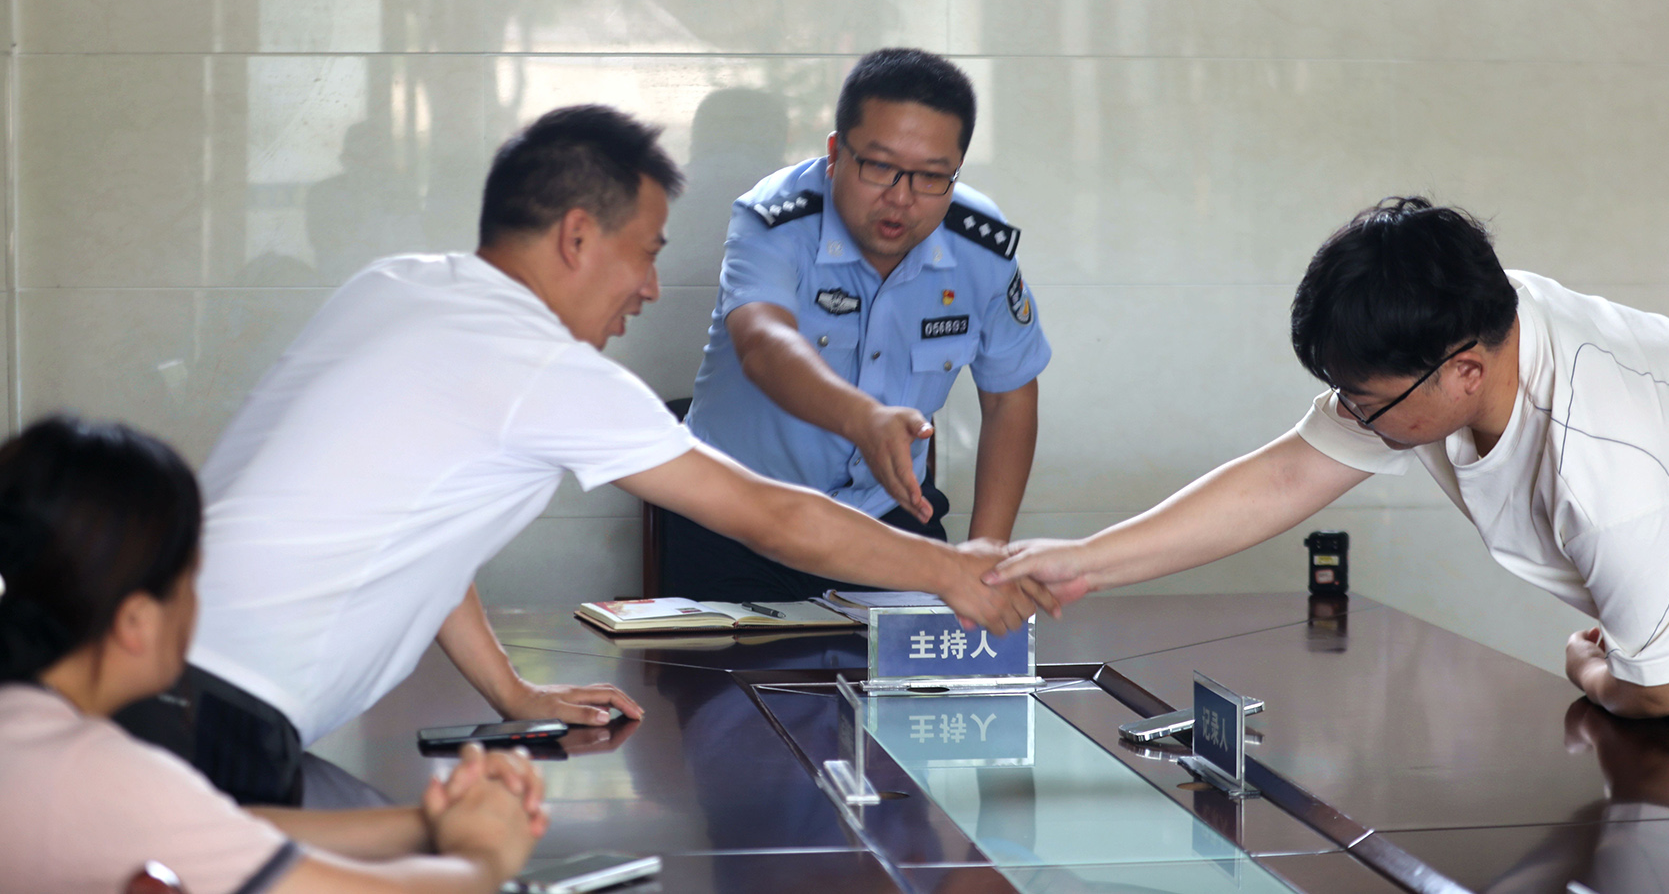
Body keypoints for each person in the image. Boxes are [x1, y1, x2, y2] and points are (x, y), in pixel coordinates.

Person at [143, 103, 1050, 806]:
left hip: (144, 667)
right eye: (644, 254)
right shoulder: (542, 364)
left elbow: (422, 530)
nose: (650, 287)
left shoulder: (394, 287)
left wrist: (513, 692)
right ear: (577, 236)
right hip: (213, 711)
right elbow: (771, 514)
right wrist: (952, 571)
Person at [990, 196, 1669, 741]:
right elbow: (1288, 474)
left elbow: (1662, 690)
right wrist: (1083, 559)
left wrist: (1585, 666)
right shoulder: (1472, 326)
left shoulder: (1613, 460)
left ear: (1464, 372)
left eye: (1363, 403)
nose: (1353, 419)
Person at [0, 415, 547, 894]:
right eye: (191, 578)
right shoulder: (94, 774)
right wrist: (485, 853)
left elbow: (222, 827)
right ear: (136, 622)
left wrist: (434, 820)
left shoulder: (31, 736)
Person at [670, 49, 1051, 600]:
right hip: (736, 516)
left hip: (883, 518)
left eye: (931, 176)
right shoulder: (775, 217)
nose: (901, 197)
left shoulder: (979, 243)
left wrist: (985, 559)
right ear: (835, 154)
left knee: (929, 655)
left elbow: (1009, 397)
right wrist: (863, 420)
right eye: (878, 166)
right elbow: (762, 344)